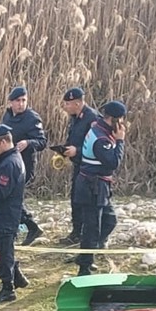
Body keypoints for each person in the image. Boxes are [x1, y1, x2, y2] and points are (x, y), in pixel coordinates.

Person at [73, 101, 127, 277]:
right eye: (119, 120)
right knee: (91, 228)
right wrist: (120, 142)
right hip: (92, 187)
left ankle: (88, 253)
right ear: (112, 119)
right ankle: (84, 267)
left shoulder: (99, 128)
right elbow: (113, 162)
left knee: (110, 220)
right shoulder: (101, 138)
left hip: (99, 186)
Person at [0, 124, 29, 303]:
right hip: (3, 214)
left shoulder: (10, 163)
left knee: (2, 253)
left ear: (4, 141)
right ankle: (16, 276)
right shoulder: (8, 159)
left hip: (5, 215)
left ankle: (8, 288)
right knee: (5, 250)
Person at [0, 85, 48, 245]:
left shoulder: (32, 118)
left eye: (23, 100)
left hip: (24, 165)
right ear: (10, 102)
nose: (21, 104)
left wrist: (28, 142)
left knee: (12, 199)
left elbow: (42, 142)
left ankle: (29, 227)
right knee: (8, 198)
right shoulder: (7, 117)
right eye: (17, 101)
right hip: (7, 163)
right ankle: (26, 227)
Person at [60, 86, 100, 245]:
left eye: (68, 104)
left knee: (85, 202)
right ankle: (76, 232)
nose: (65, 107)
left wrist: (77, 151)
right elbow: (74, 139)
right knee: (75, 199)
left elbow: (97, 148)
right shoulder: (75, 118)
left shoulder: (92, 119)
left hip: (90, 169)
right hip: (79, 166)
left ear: (77, 103)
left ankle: (87, 235)